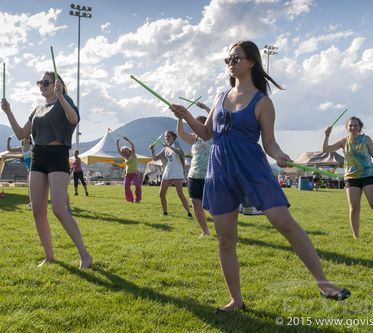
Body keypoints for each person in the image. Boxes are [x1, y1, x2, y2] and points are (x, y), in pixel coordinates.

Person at [171, 40, 350, 312]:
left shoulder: (262, 102)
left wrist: (279, 155)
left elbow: (269, 142)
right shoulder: (220, 97)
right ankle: (236, 300)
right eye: (227, 59)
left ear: (252, 62)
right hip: (220, 170)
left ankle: (324, 284)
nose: (230, 63)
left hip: (252, 169)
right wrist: (186, 116)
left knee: (285, 222)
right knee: (226, 238)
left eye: (235, 58)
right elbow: (207, 134)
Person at [1, 71, 92, 269]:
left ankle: (85, 255)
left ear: (56, 84)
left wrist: (60, 95)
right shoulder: (38, 108)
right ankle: (49, 256)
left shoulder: (64, 100)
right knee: (37, 210)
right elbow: (21, 134)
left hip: (58, 154)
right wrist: (8, 112)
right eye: (39, 83)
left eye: (45, 82)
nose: (41, 86)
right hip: (38, 156)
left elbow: (74, 119)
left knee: (59, 209)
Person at [322, 117, 373, 241]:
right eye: (350, 125)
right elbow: (326, 150)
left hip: (368, 175)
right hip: (351, 178)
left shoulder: (366, 139)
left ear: (360, 127)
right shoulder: (343, 142)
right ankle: (356, 237)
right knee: (354, 208)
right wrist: (327, 135)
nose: (353, 128)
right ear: (346, 128)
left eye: (355, 125)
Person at [177, 102, 212, 237]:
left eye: (195, 124)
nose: (193, 127)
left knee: (214, 206)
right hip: (194, 175)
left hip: (210, 176)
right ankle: (205, 231)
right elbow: (180, 133)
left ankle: (223, 229)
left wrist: (205, 108)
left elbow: (214, 117)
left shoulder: (213, 136)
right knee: (196, 204)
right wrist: (180, 118)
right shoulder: (194, 138)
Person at [149, 131, 192, 218]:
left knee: (180, 193)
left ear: (173, 137)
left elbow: (180, 152)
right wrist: (152, 150)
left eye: (168, 136)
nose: (167, 138)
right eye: (165, 137)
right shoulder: (165, 148)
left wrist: (168, 146)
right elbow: (155, 158)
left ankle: (189, 213)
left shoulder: (176, 144)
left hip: (177, 171)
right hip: (168, 171)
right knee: (161, 193)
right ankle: (165, 213)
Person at [7, 135, 33, 207]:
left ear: (30, 140)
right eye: (24, 138)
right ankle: (31, 203)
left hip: (35, 169)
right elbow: (10, 149)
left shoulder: (32, 147)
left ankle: (36, 203)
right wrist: (8, 142)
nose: (25, 139)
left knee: (35, 187)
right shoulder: (22, 148)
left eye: (27, 138)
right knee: (30, 187)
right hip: (29, 170)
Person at [116, 136, 142, 203]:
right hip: (128, 174)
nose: (125, 151)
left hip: (135, 173)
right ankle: (130, 200)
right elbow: (119, 151)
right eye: (124, 151)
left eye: (126, 149)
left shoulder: (133, 155)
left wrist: (128, 140)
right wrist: (117, 144)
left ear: (128, 149)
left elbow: (132, 145)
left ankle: (138, 199)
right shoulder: (125, 157)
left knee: (137, 186)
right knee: (126, 187)